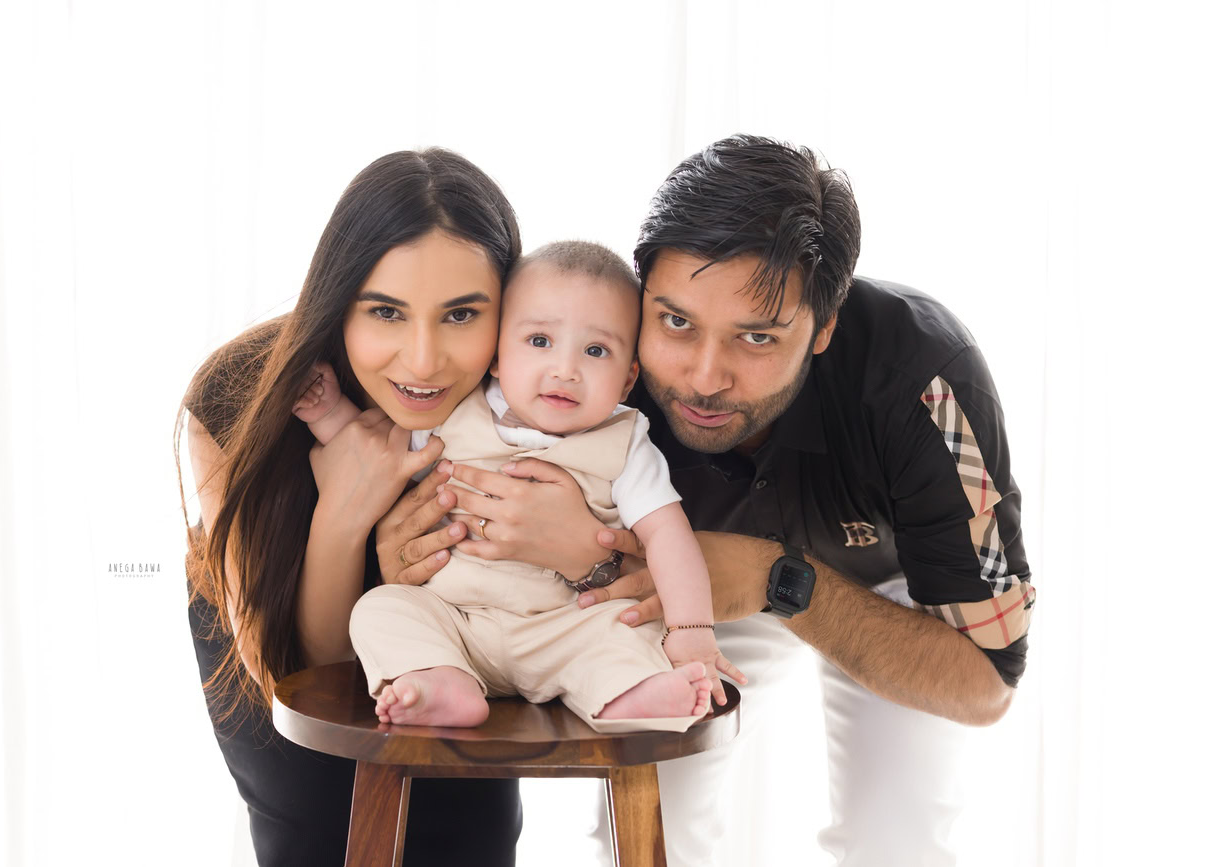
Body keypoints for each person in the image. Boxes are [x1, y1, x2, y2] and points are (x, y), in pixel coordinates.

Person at [386, 135, 1035, 866]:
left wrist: (775, 578)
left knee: (898, 838)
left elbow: (987, 683)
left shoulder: (931, 384)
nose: (702, 376)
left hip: (883, 591)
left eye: (756, 336)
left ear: (825, 325)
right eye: (676, 322)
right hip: (685, 585)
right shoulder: (599, 355)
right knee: (652, 821)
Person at [176, 148, 535, 866]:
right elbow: (301, 672)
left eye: (462, 314)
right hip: (288, 709)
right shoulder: (236, 397)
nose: (424, 359)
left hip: (452, 706)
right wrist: (347, 506)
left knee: (470, 838)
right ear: (338, 300)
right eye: (386, 312)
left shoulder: (531, 389)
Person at [291, 240, 746, 732]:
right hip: (458, 620)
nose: (565, 369)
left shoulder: (627, 442)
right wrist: (329, 414)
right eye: (539, 341)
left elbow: (668, 536)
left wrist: (693, 632)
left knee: (628, 635)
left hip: (570, 626)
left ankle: (632, 696)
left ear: (626, 379)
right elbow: (377, 457)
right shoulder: (455, 413)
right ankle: (441, 681)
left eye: (596, 351)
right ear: (496, 357)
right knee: (381, 609)